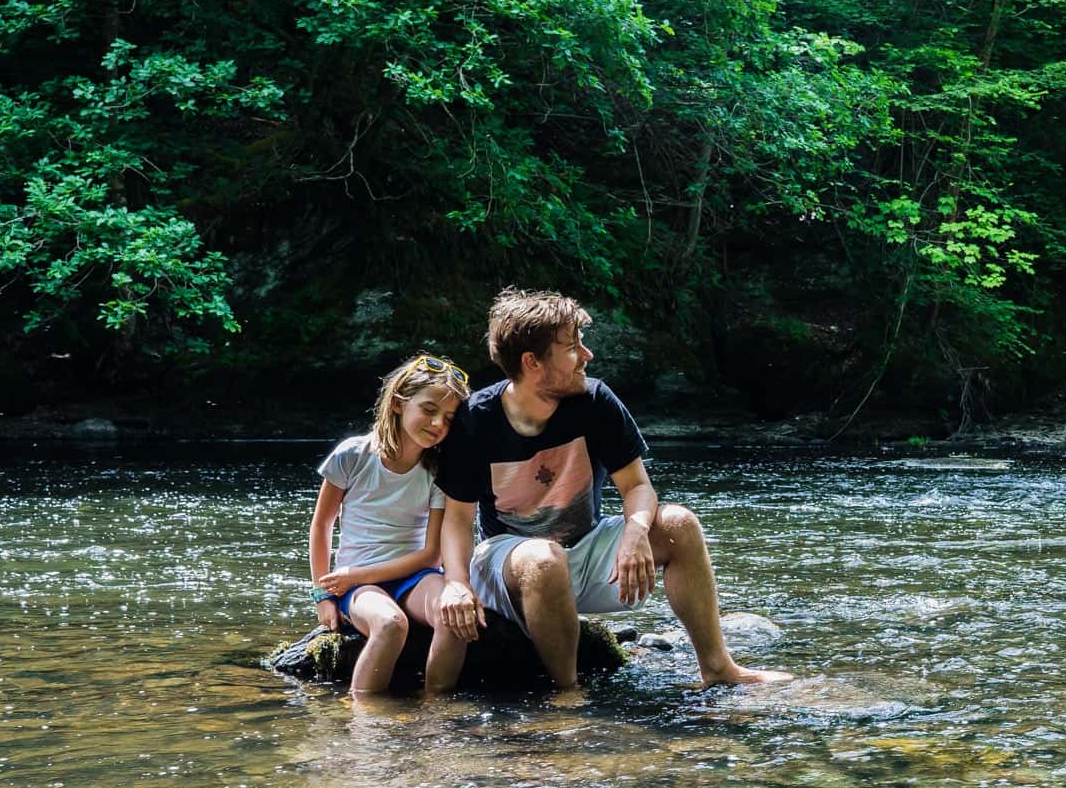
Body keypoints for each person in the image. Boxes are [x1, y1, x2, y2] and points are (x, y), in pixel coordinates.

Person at [435, 289, 790, 693]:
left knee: (678, 523)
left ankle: (718, 667)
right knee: (543, 557)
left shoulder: (596, 400)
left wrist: (636, 533)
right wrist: (457, 584)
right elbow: (458, 520)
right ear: (532, 363)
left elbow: (637, 486)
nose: (587, 356)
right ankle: (566, 694)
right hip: (508, 565)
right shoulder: (476, 420)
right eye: (572, 347)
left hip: (585, 550)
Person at [309, 354, 478, 698]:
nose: (437, 424)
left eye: (448, 418)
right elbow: (322, 527)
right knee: (389, 624)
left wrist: (356, 576)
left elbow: (432, 555)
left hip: (414, 575)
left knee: (454, 617)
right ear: (399, 403)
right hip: (355, 583)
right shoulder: (353, 455)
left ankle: (438, 715)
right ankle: (367, 722)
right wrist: (323, 596)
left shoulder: (438, 471)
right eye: (428, 410)